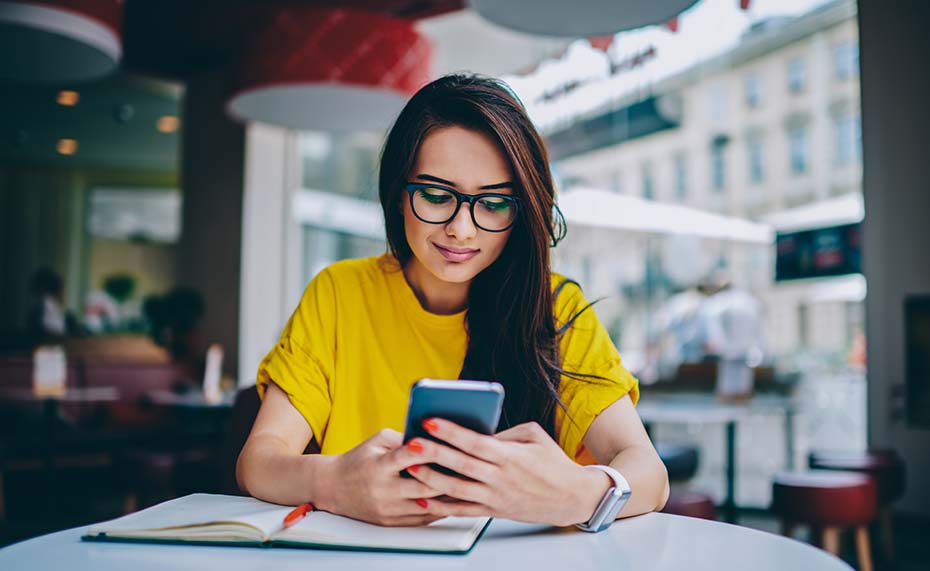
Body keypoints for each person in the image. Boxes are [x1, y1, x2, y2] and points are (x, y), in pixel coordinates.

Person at [237, 74, 669, 528]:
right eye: (437, 196)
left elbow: (650, 474)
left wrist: (579, 493)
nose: (462, 229)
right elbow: (259, 461)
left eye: (494, 203)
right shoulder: (340, 294)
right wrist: (333, 482)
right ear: (398, 195)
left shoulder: (555, 309)